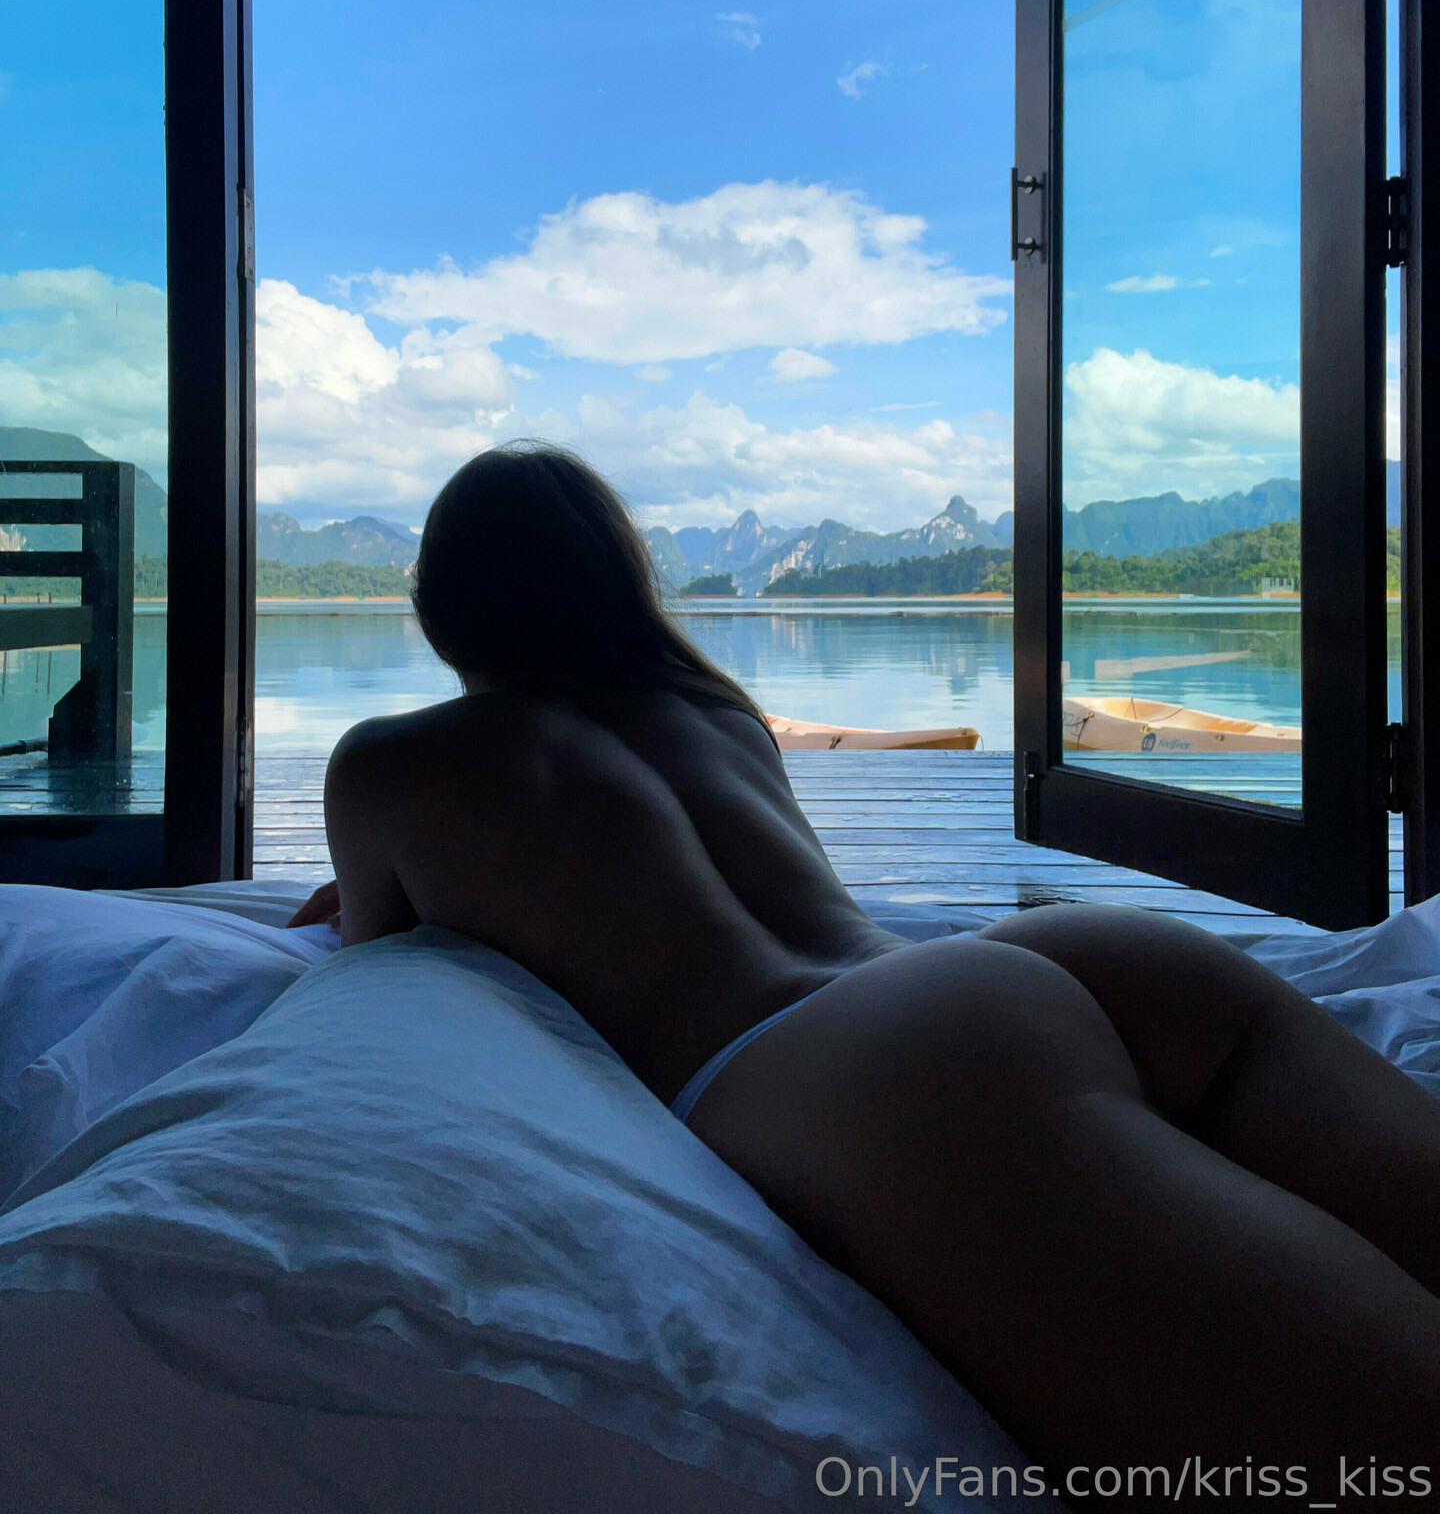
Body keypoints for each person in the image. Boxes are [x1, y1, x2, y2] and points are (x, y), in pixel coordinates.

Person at [287, 443, 1440, 1490]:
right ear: (616, 580)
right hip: (1064, 959)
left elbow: (379, 956)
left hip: (866, 1067)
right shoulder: (719, 714)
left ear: (442, 606)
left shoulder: (392, 763)